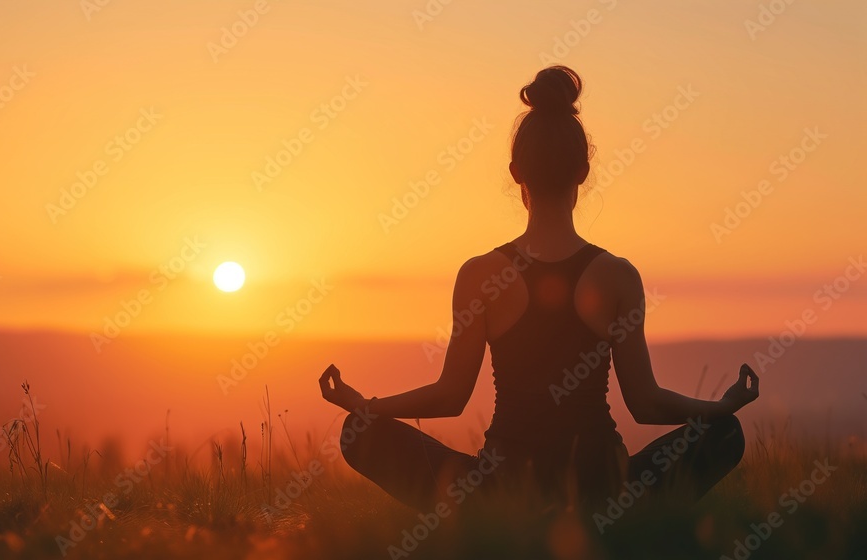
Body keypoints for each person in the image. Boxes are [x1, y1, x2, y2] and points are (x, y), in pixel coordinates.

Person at [317, 65, 759, 520]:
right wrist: (721, 407)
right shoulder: (618, 276)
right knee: (724, 433)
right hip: (603, 488)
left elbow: (449, 397)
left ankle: (497, 524)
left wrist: (364, 406)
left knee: (359, 432)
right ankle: (605, 526)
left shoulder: (479, 275)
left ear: (515, 173)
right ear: (583, 171)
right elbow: (645, 403)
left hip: (505, 487)